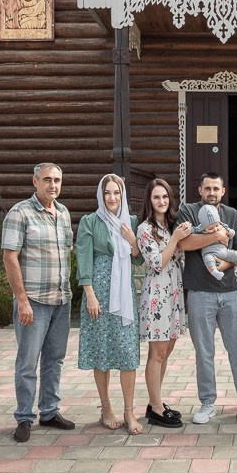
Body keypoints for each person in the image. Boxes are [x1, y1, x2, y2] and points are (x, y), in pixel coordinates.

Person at [177, 172, 237, 425]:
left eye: (216, 189)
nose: (212, 193)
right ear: (200, 190)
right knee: (204, 352)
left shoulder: (232, 215)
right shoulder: (188, 212)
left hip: (230, 293)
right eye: (207, 188)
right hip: (199, 293)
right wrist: (215, 237)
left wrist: (224, 264)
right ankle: (207, 403)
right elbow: (185, 243)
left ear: (223, 191)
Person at [1, 163, 74, 443]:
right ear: (35, 181)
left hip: (61, 300)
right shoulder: (20, 213)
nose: (52, 185)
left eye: (57, 180)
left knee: (54, 359)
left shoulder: (64, 213)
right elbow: (10, 257)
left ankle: (49, 411)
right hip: (33, 300)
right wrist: (22, 300)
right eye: (47, 180)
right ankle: (23, 417)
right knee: (28, 361)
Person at [76, 174, 143, 435]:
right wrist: (89, 294)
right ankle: (106, 408)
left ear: (123, 195)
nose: (113, 197)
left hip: (125, 295)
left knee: (128, 352)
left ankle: (129, 411)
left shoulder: (131, 222)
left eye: (117, 192)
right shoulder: (90, 222)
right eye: (108, 193)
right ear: (101, 195)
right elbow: (83, 258)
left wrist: (132, 240)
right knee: (101, 351)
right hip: (100, 293)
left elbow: (138, 261)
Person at [137, 178, 191, 428]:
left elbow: (179, 253)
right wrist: (174, 240)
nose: (161, 201)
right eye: (157, 197)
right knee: (156, 353)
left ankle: (154, 401)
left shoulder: (171, 226)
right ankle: (156, 409)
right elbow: (157, 262)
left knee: (167, 350)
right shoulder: (145, 229)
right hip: (157, 294)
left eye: (165, 197)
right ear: (149, 200)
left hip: (173, 293)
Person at [194, 203, 237, 280]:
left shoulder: (222, 224)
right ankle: (215, 272)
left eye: (216, 226)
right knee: (208, 260)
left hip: (224, 251)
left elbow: (231, 232)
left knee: (236, 255)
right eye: (211, 228)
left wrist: (230, 233)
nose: (215, 229)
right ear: (203, 227)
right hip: (210, 253)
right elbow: (192, 230)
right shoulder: (200, 229)